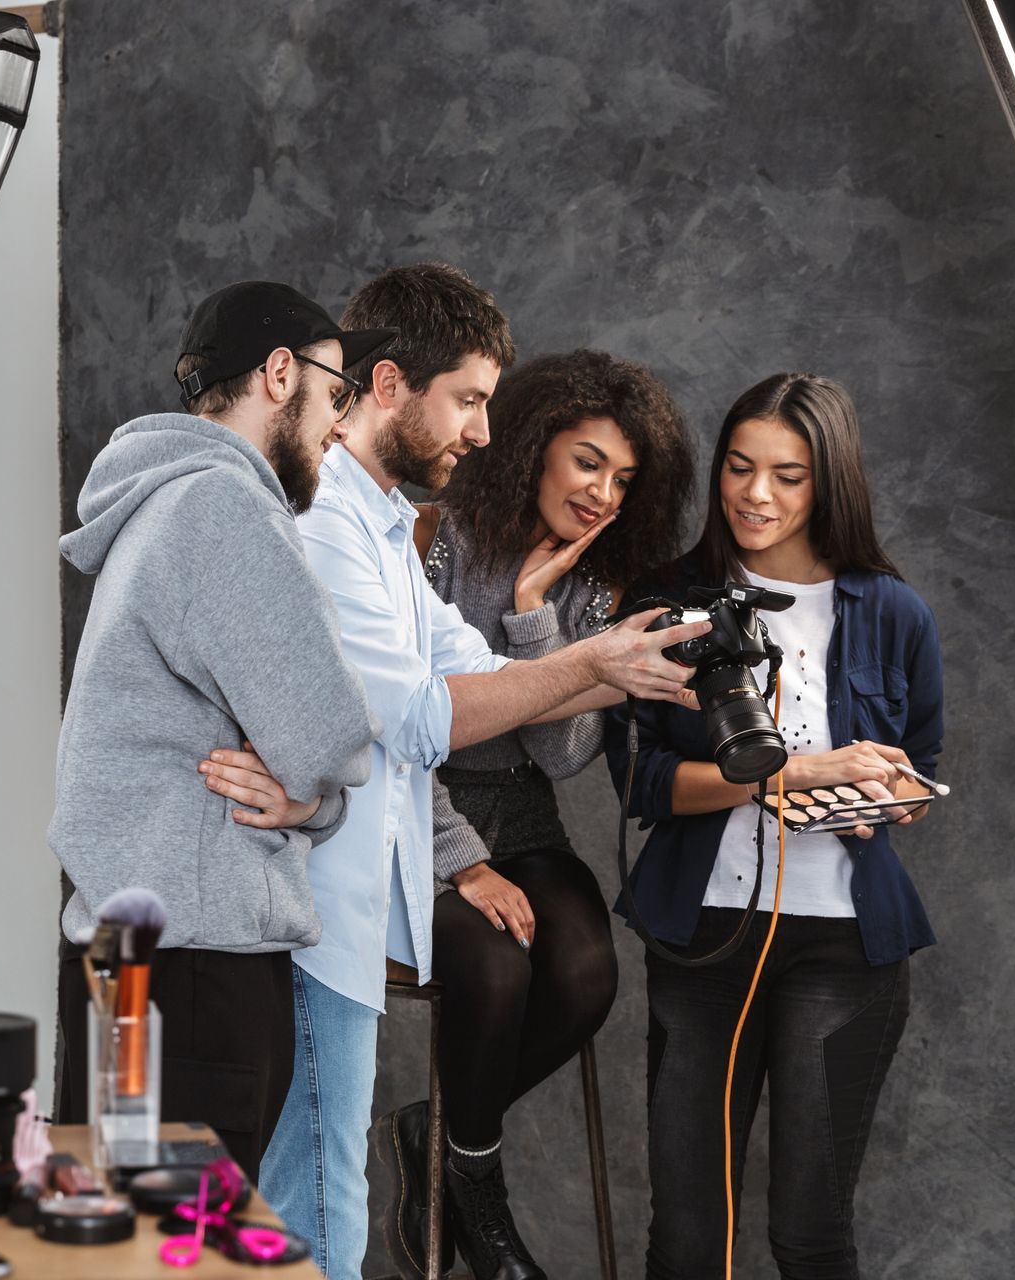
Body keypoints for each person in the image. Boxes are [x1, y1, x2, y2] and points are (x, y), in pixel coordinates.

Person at [204, 263, 710, 1279]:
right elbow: (417, 716)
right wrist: (592, 662)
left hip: (349, 901)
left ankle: (434, 1169)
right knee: (303, 1203)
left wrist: (633, 666)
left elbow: (480, 671)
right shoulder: (327, 523)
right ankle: (444, 1187)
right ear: (389, 384)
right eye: (470, 400)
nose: (481, 431)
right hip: (306, 903)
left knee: (322, 1199)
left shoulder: (383, 523)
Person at [49, 280, 392, 1182]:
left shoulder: (157, 505)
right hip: (197, 978)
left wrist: (304, 802)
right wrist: (316, 800)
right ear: (283, 374)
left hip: (130, 963)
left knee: (125, 1254)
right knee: (176, 1259)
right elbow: (332, 737)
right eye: (336, 393)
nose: (338, 424)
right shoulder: (222, 508)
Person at [605, 372, 943, 1279]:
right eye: (740, 467)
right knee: (688, 1241)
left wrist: (891, 797)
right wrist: (792, 773)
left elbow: (922, 766)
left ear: (829, 481)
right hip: (705, 944)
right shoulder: (668, 602)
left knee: (811, 1234)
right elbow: (643, 782)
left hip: (847, 953)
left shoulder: (895, 613)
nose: (757, 495)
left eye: (788, 476)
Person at [396, 349, 697, 1278]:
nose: (605, 493)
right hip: (418, 809)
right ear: (534, 447)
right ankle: (481, 1207)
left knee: (582, 971)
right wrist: (460, 860)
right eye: (587, 462)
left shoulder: (598, 582)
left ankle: (434, 1134)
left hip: (524, 816)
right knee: (493, 967)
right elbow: (405, 723)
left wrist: (535, 610)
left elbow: (563, 758)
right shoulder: (435, 536)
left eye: (624, 478)